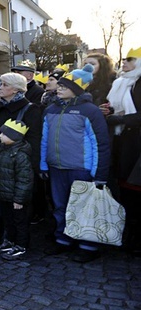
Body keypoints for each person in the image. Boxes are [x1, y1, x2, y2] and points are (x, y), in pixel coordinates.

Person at [41, 64, 111, 263]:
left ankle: (88, 245)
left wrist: (99, 174)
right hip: (56, 168)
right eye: (59, 85)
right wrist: (44, 165)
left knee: (84, 208)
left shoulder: (90, 111)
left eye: (65, 85)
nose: (59, 88)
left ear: (77, 89)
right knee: (60, 206)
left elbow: (100, 144)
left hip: (82, 169)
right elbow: (45, 140)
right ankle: (63, 239)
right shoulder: (51, 110)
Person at [0, 72, 43, 231]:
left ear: (16, 90)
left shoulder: (30, 109)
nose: (0, 88)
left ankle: (18, 240)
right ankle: (4, 234)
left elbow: (34, 140)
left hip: (19, 164)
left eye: (4, 85)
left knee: (18, 206)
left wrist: (31, 165)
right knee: (1, 202)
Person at [104, 47, 141, 255]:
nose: (124, 62)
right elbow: (116, 108)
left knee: (135, 192)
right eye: (123, 59)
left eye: (130, 59)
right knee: (125, 192)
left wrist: (121, 119)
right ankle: (129, 234)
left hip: (136, 145)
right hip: (122, 142)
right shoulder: (120, 83)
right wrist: (108, 111)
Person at [0, 119, 34, 260]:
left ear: (13, 137)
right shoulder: (2, 150)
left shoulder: (20, 156)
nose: (0, 136)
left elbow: (24, 179)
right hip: (4, 196)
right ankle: (9, 241)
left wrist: (19, 199)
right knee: (8, 220)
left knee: (19, 222)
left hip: (15, 198)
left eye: (3, 134)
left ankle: (21, 245)